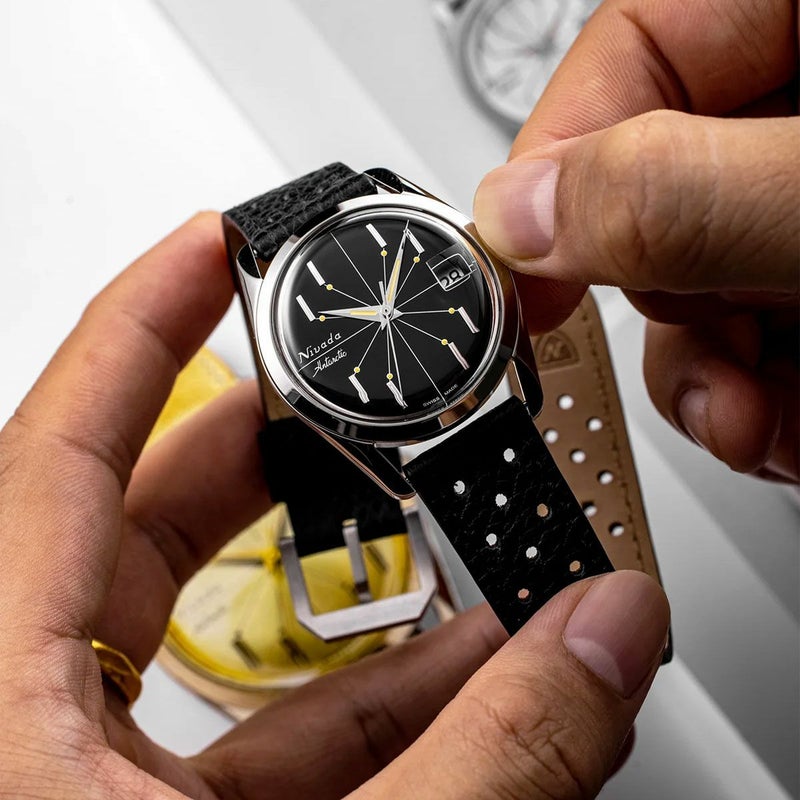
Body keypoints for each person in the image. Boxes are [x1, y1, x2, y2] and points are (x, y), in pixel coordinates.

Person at [0, 1, 794, 798]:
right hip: (425, 417)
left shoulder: (430, 253)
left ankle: (572, 608)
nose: (383, 314)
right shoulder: (307, 385)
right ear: (296, 386)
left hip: (474, 375)